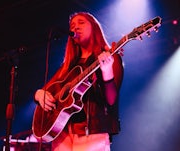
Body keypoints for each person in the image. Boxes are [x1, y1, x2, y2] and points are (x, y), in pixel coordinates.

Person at [33, 12, 124, 151]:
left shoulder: (110, 57)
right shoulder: (68, 66)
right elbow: (44, 90)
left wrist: (106, 72)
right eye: (72, 26)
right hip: (62, 134)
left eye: (81, 22)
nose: (75, 28)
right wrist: (39, 95)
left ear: (94, 27)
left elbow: (111, 101)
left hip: (92, 134)